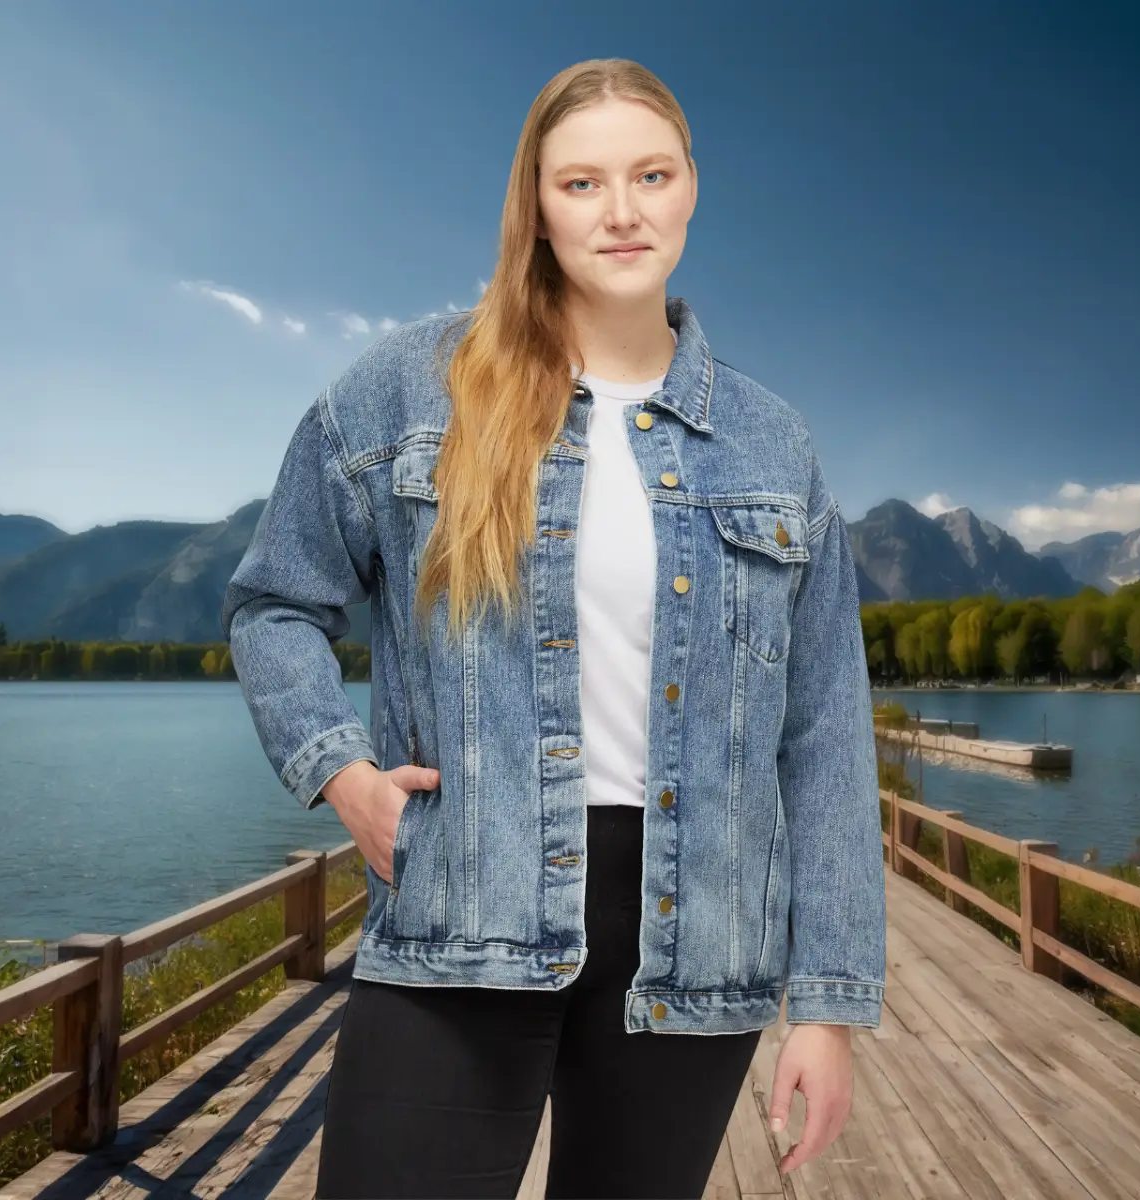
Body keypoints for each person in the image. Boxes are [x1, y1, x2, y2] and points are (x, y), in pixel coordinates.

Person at [222, 57, 886, 1199]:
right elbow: (274, 601)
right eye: (582, 183)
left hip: (695, 944)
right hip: (459, 908)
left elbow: (826, 733)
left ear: (690, 190)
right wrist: (342, 772)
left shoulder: (776, 445)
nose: (622, 211)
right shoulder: (407, 391)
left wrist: (826, 1006)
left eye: (651, 175)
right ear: (535, 205)